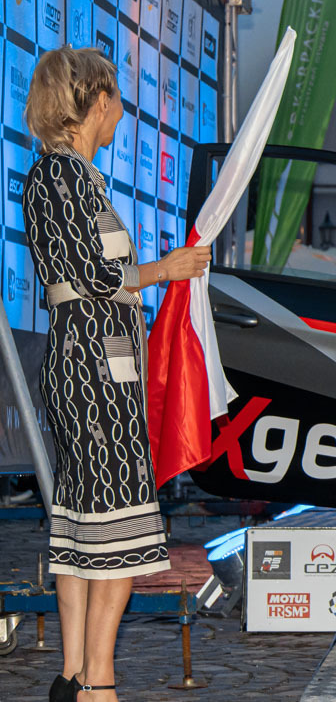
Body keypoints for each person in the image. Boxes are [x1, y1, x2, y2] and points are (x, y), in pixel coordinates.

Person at [22, 48, 210, 701]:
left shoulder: (66, 175)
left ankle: (74, 674)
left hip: (90, 365)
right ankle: (98, 683)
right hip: (94, 370)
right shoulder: (62, 174)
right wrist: (167, 269)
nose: (120, 116)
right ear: (97, 102)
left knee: (81, 530)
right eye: (117, 103)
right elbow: (96, 275)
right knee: (120, 533)